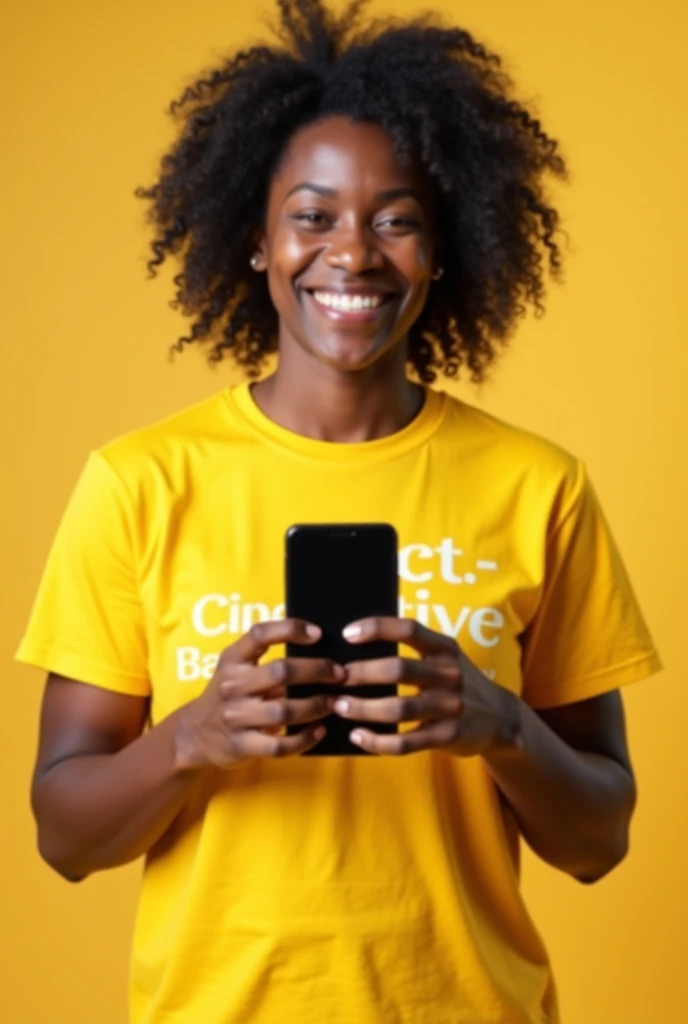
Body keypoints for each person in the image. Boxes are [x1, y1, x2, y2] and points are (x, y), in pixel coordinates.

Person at [16, 1, 661, 1021]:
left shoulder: (539, 486)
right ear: (258, 243)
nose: (353, 253)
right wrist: (192, 736)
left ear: (442, 249)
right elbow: (64, 836)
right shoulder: (141, 482)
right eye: (312, 216)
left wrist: (495, 724)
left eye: (396, 218)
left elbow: (598, 842)